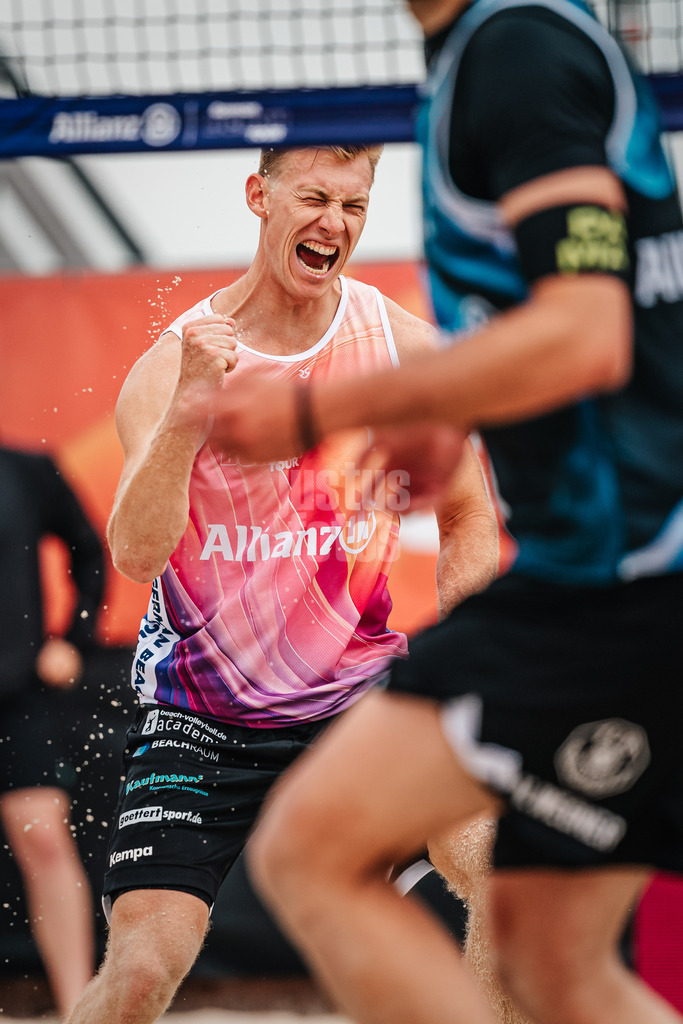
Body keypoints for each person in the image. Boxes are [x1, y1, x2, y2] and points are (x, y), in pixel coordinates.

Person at [196, 3, 683, 1023]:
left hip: (621, 579)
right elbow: (599, 314)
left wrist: (314, 407)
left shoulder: (514, 50)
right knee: (550, 960)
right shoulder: (496, 43)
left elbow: (585, 331)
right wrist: (446, 407)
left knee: (311, 852)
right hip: (606, 568)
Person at [65, 144, 500, 1024]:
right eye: (313, 199)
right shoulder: (172, 364)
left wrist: (469, 659)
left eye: (353, 205)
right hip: (201, 715)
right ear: (258, 197)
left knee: (497, 866)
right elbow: (137, 557)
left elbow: (468, 516)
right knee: (144, 967)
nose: (333, 224)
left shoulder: (399, 347)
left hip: (357, 700)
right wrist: (191, 411)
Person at [0, 444, 103, 1020]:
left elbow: (88, 549)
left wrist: (75, 637)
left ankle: (80, 1008)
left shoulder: (24, 471)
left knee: (43, 836)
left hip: (17, 693)